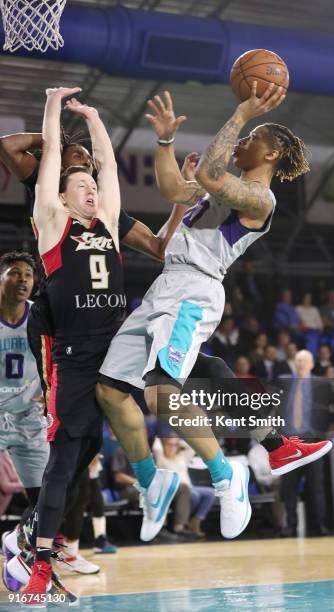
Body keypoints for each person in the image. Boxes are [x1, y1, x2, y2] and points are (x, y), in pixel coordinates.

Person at [97, 81, 333, 545]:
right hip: (163, 287)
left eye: (253, 138)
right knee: (109, 391)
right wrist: (164, 141)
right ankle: (153, 480)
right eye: (245, 133)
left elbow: (208, 173)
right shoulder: (215, 194)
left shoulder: (259, 200)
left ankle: (228, 478)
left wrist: (242, 114)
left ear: (272, 153)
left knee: (161, 393)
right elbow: (173, 187)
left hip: (193, 291)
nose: (244, 141)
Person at [21, 87, 168, 602]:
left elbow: (107, 164)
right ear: (61, 198)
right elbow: (54, 161)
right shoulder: (53, 227)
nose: (89, 189)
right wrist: (54, 105)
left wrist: (96, 118)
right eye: (79, 185)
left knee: (183, 372)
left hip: (119, 346)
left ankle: (176, 477)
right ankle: (40, 559)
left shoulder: (107, 222)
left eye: (92, 186)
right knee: (68, 460)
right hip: (76, 359)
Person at [0, 251, 50, 592]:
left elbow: (60, 359)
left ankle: (18, 547)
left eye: (28, 275)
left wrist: (51, 393)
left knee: (47, 500)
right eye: (14, 274)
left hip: (30, 419)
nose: (22, 280)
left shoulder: (42, 317)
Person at [276, 350, 334, 537]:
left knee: (316, 487)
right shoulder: (283, 382)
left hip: (313, 440)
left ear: (312, 364)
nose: (300, 364)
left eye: (304, 361)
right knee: (288, 487)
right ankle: (290, 527)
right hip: (288, 442)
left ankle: (320, 526)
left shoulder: (322, 384)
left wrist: (332, 430)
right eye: (298, 361)